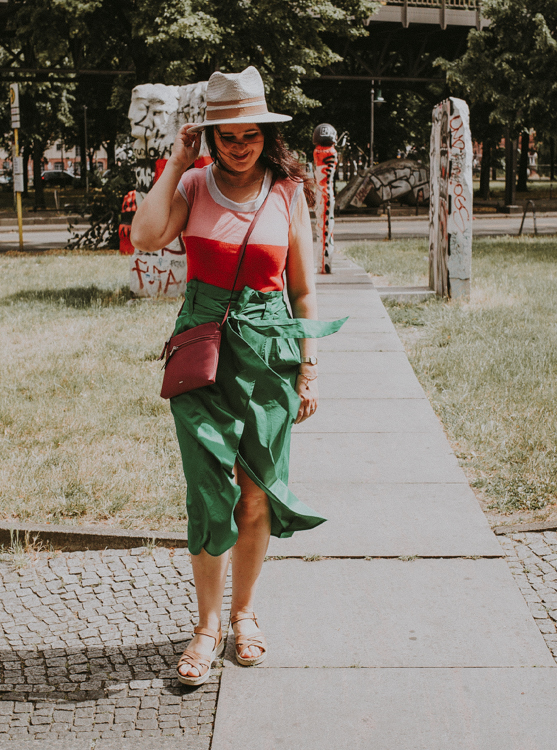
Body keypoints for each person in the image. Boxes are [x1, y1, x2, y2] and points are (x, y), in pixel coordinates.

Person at [131, 66, 345, 685]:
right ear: (212, 137)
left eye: (250, 134)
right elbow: (146, 236)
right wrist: (176, 161)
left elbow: (303, 291)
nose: (240, 145)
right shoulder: (194, 184)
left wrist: (308, 370)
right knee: (208, 488)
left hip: (269, 350)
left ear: (265, 135)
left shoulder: (287, 192)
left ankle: (244, 615)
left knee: (256, 490)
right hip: (201, 347)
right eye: (228, 135)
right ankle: (207, 626)